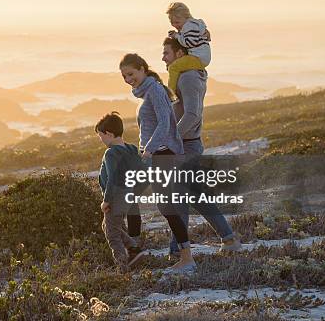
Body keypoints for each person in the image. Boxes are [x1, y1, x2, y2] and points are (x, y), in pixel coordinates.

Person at [162, 37, 242, 255]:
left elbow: (192, 114)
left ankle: (178, 251)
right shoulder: (183, 74)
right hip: (186, 144)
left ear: (180, 54)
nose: (163, 58)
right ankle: (229, 239)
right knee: (196, 196)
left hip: (186, 146)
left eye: (166, 53)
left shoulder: (188, 77)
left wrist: (172, 139)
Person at [119, 53, 196, 274]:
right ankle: (135, 249)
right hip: (153, 154)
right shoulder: (147, 92)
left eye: (131, 74)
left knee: (165, 206)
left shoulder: (155, 90)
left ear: (143, 69)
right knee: (131, 195)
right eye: (124, 76)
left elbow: (165, 123)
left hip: (162, 155)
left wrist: (150, 149)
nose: (128, 79)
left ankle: (186, 258)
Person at [95, 112, 148, 272]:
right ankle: (134, 248)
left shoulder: (111, 153)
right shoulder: (131, 149)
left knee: (112, 235)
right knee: (110, 226)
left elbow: (112, 179)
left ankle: (122, 266)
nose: (101, 140)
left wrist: (107, 200)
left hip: (115, 198)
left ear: (109, 134)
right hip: (127, 196)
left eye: (101, 136)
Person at [165, 2, 211, 95]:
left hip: (198, 58)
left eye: (177, 22)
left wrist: (177, 36)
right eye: (172, 23)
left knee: (173, 67)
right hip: (200, 58)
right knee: (177, 66)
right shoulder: (192, 25)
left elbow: (190, 43)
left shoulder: (189, 26)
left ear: (187, 17)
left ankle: (170, 95)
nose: (174, 25)